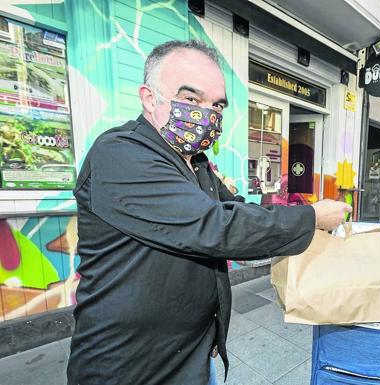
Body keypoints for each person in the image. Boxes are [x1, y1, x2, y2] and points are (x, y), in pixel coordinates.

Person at [66, 40, 351, 385]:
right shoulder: (121, 154)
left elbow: (237, 212)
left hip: (193, 354)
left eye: (217, 105)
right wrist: (311, 219)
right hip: (128, 366)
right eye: (190, 99)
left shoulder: (197, 164)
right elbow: (214, 226)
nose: (207, 114)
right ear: (148, 97)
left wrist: (302, 215)